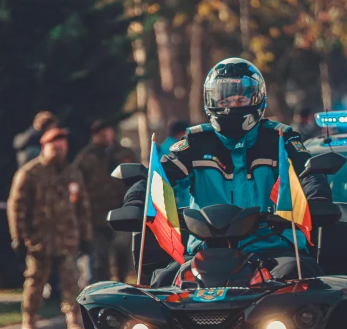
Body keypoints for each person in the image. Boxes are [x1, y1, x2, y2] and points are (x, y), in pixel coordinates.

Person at [124, 57, 335, 282]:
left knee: (303, 277)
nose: (232, 103)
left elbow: (308, 173)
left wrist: (316, 198)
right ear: (211, 99)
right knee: (162, 282)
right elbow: (158, 176)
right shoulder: (195, 142)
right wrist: (136, 200)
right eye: (225, 96)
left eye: (241, 96)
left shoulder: (281, 138)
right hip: (205, 252)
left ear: (257, 98)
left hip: (272, 248)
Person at [7, 127, 92, 329]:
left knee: (71, 283)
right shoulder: (30, 173)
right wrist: (18, 237)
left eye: (62, 148)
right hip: (39, 239)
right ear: (44, 147)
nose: (59, 152)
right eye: (55, 148)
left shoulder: (72, 173)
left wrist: (86, 236)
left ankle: (73, 323)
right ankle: (28, 323)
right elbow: (17, 207)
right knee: (34, 284)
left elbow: (83, 208)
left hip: (67, 239)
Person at [73, 120, 137, 283]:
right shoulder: (86, 157)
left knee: (122, 252)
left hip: (122, 212)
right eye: (102, 134)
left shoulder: (125, 154)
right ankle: (102, 287)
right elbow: (76, 183)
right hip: (97, 216)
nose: (107, 137)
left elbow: (137, 178)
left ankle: (122, 283)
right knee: (99, 258)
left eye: (109, 132)